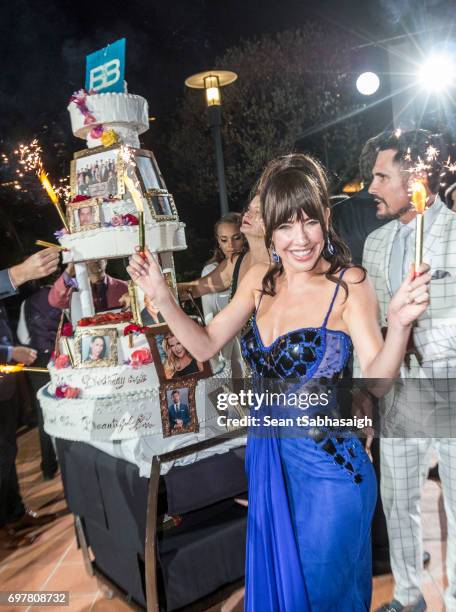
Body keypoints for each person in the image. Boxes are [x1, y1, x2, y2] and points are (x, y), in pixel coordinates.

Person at [128, 152, 431, 611]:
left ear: (326, 219)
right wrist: (163, 298)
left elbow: (377, 380)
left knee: (319, 595)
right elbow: (206, 344)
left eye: (309, 221)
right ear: (270, 232)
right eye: (286, 227)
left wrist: (400, 322)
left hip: (332, 473)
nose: (301, 239)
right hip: (273, 466)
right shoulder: (258, 282)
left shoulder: (348, 284)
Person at [362, 129, 456, 612]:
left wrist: (422, 337)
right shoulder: (375, 244)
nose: (370, 186)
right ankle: (407, 595)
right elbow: (372, 327)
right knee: (398, 501)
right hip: (399, 395)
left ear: (416, 178)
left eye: (381, 176)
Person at [17, 284, 61, 480]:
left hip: (39, 362)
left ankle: (49, 467)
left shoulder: (26, 304)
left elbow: (22, 336)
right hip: (61, 357)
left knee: (44, 414)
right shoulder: (57, 293)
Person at [200, 213, 246, 376]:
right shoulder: (211, 271)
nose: (231, 245)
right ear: (218, 242)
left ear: (245, 237)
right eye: (224, 240)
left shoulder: (257, 266)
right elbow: (209, 316)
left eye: (237, 238)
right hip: (228, 345)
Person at [48, 259, 128, 313]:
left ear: (106, 261)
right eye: (92, 258)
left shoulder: (125, 287)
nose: (96, 261)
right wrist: (69, 271)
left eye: (100, 258)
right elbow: (55, 301)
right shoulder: (73, 288)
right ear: (84, 263)